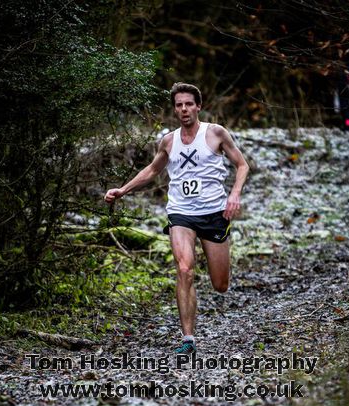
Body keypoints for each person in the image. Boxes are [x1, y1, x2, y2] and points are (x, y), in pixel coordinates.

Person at [105, 82, 249, 353]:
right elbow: (152, 170)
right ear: (175, 108)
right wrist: (122, 190)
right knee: (184, 269)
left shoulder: (216, 133)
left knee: (221, 284)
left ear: (198, 106)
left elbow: (242, 165)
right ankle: (188, 339)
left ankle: (206, 293)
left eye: (188, 104)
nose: (184, 109)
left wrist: (235, 194)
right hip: (181, 213)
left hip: (214, 213)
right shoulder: (168, 141)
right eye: (179, 105)